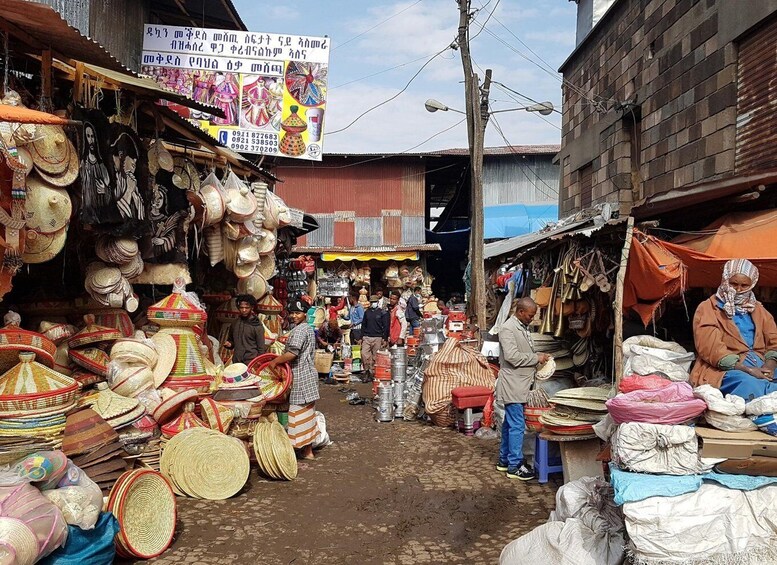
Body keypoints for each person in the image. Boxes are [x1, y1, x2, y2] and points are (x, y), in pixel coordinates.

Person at [691, 259, 777, 401]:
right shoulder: (708, 308)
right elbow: (711, 349)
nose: (738, 290)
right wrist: (748, 370)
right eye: (734, 284)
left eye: (744, 285)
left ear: (752, 284)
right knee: (748, 383)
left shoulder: (760, 310)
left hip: (760, 364)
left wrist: (769, 366)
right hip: (727, 368)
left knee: (764, 381)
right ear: (725, 280)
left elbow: (773, 341)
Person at [495, 297, 550, 480]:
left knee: (509, 424)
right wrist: (536, 358)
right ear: (520, 312)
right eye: (530, 315)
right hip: (513, 384)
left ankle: (504, 461)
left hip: (520, 384)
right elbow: (512, 356)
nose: (532, 318)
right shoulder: (508, 328)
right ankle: (514, 465)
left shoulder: (520, 326)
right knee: (517, 425)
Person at [267, 298, 320, 460]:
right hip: (309, 375)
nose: (294, 316)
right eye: (292, 313)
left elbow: (293, 353)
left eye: (298, 313)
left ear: (305, 314)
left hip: (301, 376)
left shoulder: (299, 331)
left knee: (297, 414)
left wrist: (275, 361)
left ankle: (299, 449)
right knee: (308, 414)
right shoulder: (308, 329)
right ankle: (308, 450)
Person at [223, 294, 266, 364]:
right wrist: (229, 344)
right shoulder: (235, 323)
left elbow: (261, 349)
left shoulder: (257, 326)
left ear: (251, 308)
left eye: (247, 308)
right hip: (237, 361)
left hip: (251, 363)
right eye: (241, 307)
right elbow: (231, 340)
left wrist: (258, 363)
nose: (243, 310)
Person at [360, 294, 389, 382]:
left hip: (378, 337)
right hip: (367, 337)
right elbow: (363, 325)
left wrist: (385, 338)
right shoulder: (367, 312)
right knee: (364, 354)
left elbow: (386, 326)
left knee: (375, 357)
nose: (373, 303)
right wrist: (362, 337)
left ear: (378, 302)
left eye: (375, 302)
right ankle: (366, 371)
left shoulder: (382, 312)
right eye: (372, 302)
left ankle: (373, 373)